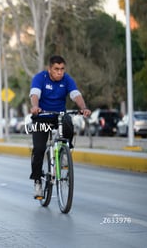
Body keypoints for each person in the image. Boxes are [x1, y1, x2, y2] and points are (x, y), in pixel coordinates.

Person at [29, 55, 91, 199]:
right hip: (42, 117)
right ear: (49, 69)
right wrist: (35, 107)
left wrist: (83, 107)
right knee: (39, 149)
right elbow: (35, 94)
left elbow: (75, 95)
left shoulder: (67, 79)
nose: (60, 72)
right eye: (56, 69)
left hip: (59, 116)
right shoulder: (40, 78)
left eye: (62, 69)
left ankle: (64, 152)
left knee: (69, 122)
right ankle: (37, 181)